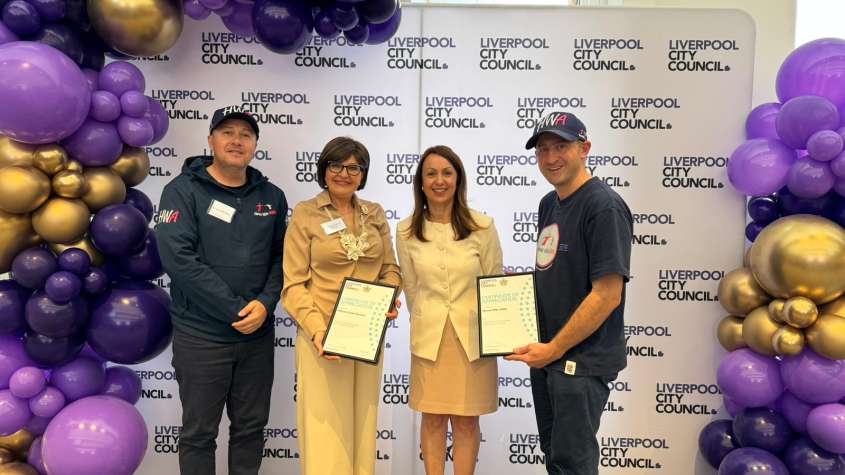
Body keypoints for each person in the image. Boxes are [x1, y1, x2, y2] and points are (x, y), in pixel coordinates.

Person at [156, 105, 287, 475]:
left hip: (256, 336)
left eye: (246, 134)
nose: (236, 141)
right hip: (202, 337)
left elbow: (283, 258)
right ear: (210, 140)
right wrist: (236, 310)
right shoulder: (181, 191)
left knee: (251, 429)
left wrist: (265, 304)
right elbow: (180, 261)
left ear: (255, 144)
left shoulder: (272, 197)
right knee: (199, 434)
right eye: (227, 132)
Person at [505, 112, 633, 475]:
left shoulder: (603, 206)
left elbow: (607, 295)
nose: (550, 158)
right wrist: (513, 294)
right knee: (556, 457)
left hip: (580, 360)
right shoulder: (550, 203)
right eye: (542, 149)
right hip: (548, 355)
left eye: (561, 146)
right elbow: (557, 273)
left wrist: (554, 349)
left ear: (584, 148)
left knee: (573, 465)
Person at [282, 136, 402, 475]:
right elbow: (293, 285)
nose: (344, 174)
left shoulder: (374, 213)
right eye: (336, 165)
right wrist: (318, 332)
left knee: (363, 428)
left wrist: (387, 298)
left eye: (354, 167)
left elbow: (391, 269)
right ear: (324, 169)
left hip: (366, 337)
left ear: (363, 174)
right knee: (327, 433)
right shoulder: (306, 213)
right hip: (323, 339)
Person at [396, 145, 503, 475]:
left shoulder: (482, 226)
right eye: (431, 174)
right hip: (430, 342)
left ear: (458, 179)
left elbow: (495, 284)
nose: (439, 180)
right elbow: (411, 289)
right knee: (432, 420)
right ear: (421, 182)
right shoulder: (406, 231)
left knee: (467, 422)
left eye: (447, 173)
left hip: (473, 342)